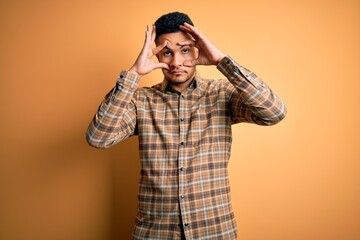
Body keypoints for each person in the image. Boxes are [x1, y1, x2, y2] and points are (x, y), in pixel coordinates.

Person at [86, 11, 286, 240]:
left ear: (197, 49)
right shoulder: (140, 100)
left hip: (214, 231)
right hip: (155, 233)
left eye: (184, 50)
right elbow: (98, 137)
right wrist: (134, 73)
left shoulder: (222, 93)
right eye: (166, 53)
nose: (176, 62)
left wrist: (222, 62)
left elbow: (274, 112)